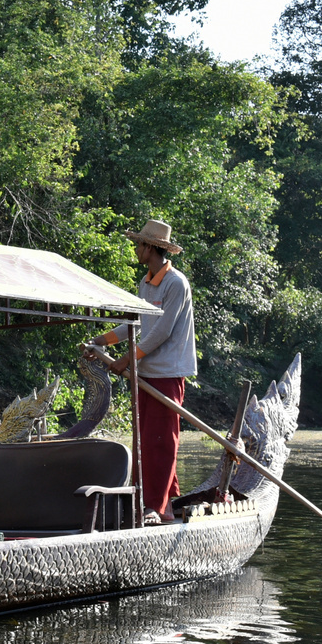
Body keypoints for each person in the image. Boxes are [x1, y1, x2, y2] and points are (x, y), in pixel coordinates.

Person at [91, 219, 197, 524]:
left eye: (139, 245)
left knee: (162, 440)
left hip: (167, 373)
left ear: (150, 248)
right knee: (145, 440)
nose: (136, 250)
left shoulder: (176, 283)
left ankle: (156, 506)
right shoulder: (145, 283)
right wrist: (102, 340)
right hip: (146, 373)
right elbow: (136, 324)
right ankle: (148, 501)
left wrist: (127, 360)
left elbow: (162, 330)